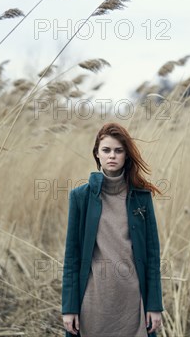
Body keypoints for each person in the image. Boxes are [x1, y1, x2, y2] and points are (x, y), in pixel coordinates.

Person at [62, 122, 164, 336]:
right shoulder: (80, 197)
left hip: (133, 300)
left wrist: (154, 305)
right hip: (94, 300)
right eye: (106, 150)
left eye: (118, 151)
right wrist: (69, 308)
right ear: (97, 154)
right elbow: (72, 257)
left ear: (126, 155)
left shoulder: (141, 197)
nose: (112, 156)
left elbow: (152, 256)